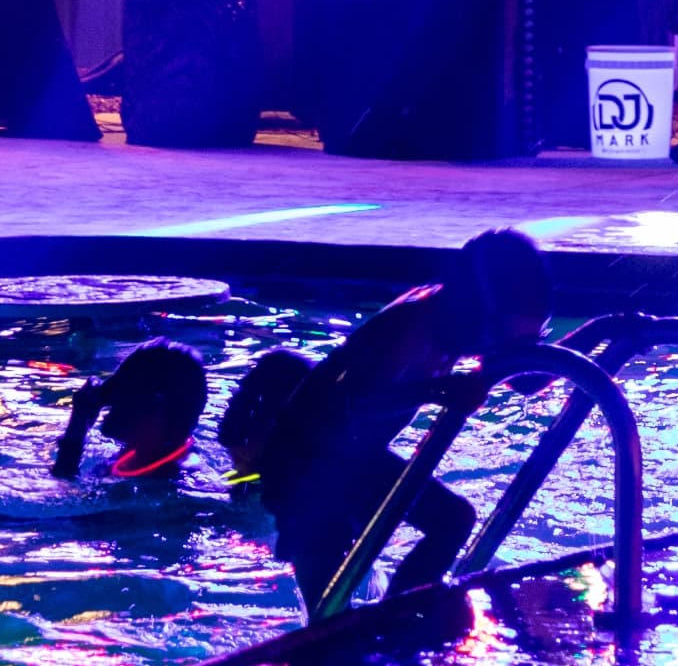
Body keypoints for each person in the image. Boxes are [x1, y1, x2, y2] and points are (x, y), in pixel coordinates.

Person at [219, 229, 551, 609]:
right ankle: (382, 628)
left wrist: (602, 334)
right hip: (305, 462)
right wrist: (438, 391)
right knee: (329, 608)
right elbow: (356, 402)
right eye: (510, 335)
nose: (504, 348)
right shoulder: (414, 324)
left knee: (453, 519)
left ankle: (399, 619)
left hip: (353, 458)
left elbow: (530, 378)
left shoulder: (460, 325)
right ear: (481, 310)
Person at [50, 339, 210, 484]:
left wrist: (75, 435)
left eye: (124, 389)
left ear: (155, 407)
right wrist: (79, 425)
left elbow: (62, 501)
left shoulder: (181, 484)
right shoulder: (138, 457)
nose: (110, 399)